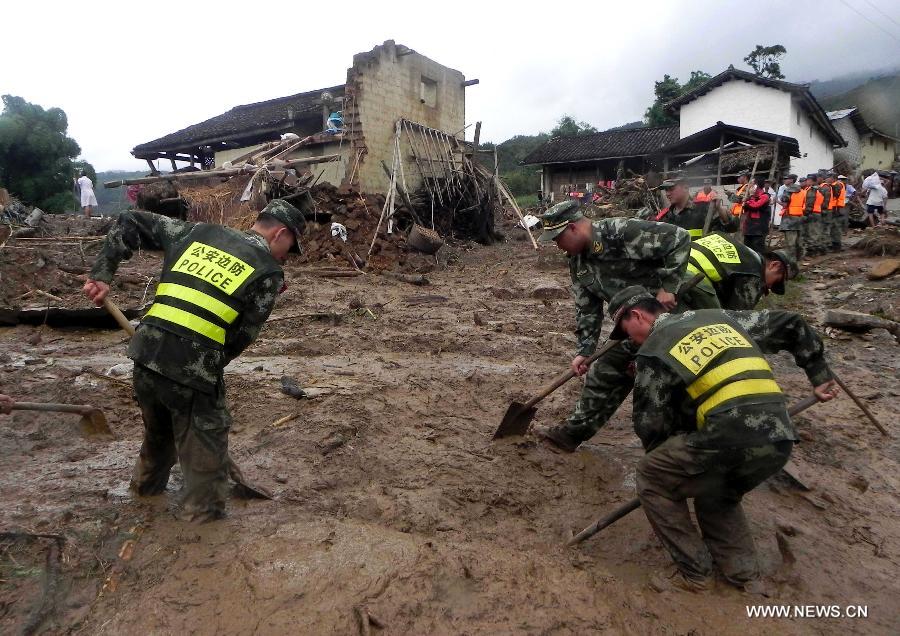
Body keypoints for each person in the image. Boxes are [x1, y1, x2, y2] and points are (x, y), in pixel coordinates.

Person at [83, 198, 309, 522]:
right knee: (206, 456)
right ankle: (203, 532)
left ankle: (143, 498)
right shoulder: (269, 272)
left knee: (159, 438)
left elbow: (129, 220)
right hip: (192, 370)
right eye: (291, 247)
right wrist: (207, 369)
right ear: (280, 233)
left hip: (145, 355)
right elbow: (242, 336)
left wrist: (102, 273)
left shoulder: (197, 233)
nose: (287, 256)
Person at [605, 286, 839, 593]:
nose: (630, 342)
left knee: (652, 473)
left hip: (729, 434)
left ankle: (696, 574)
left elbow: (651, 424)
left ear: (636, 316)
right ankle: (742, 575)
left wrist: (672, 471)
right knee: (718, 490)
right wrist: (819, 375)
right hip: (779, 437)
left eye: (625, 333)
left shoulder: (653, 348)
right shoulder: (718, 317)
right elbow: (792, 323)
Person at [529, 200, 693, 452]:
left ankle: (681, 447)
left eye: (558, 238)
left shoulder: (622, 232)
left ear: (572, 228)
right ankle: (569, 436)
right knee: (605, 371)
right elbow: (587, 307)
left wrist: (669, 287)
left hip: (668, 321)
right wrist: (584, 350)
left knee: (664, 385)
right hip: (631, 328)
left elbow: (679, 238)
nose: (557, 245)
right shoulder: (578, 262)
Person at [679, 232, 798, 311]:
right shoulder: (754, 271)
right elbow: (738, 316)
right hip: (692, 278)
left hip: (673, 267)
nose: (769, 288)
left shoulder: (738, 248)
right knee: (717, 323)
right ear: (774, 266)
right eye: (775, 282)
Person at [653, 178, 735, 239]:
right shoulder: (664, 217)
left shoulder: (705, 208)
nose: (667, 194)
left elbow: (732, 228)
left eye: (671, 189)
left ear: (685, 188)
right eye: (666, 190)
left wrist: (720, 209)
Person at [777, 176, 806, 260]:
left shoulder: (788, 191)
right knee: (798, 240)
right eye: (784, 179)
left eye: (786, 179)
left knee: (790, 242)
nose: (784, 180)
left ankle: (791, 259)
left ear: (791, 180)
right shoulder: (802, 191)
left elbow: (785, 204)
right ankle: (799, 257)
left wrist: (776, 201)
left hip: (789, 219)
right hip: (799, 217)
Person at [741, 177, 770, 254]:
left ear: (757, 185)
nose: (750, 186)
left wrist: (747, 201)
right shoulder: (751, 197)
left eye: (752, 184)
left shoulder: (765, 196)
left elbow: (755, 206)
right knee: (747, 250)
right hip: (749, 228)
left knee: (758, 251)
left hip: (758, 229)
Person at [800, 174, 825, 256]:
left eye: (807, 180)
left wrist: (807, 213)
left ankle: (812, 251)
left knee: (811, 232)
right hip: (816, 212)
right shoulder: (817, 188)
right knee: (815, 232)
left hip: (812, 212)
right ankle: (817, 249)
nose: (806, 181)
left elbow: (810, 203)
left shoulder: (812, 190)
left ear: (811, 181)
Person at [827, 173, 847, 251]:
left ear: (833, 178)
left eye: (829, 177)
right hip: (836, 208)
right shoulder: (837, 184)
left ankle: (837, 246)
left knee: (836, 228)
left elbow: (834, 195)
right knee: (834, 227)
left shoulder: (838, 185)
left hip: (837, 209)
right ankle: (834, 244)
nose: (827, 179)